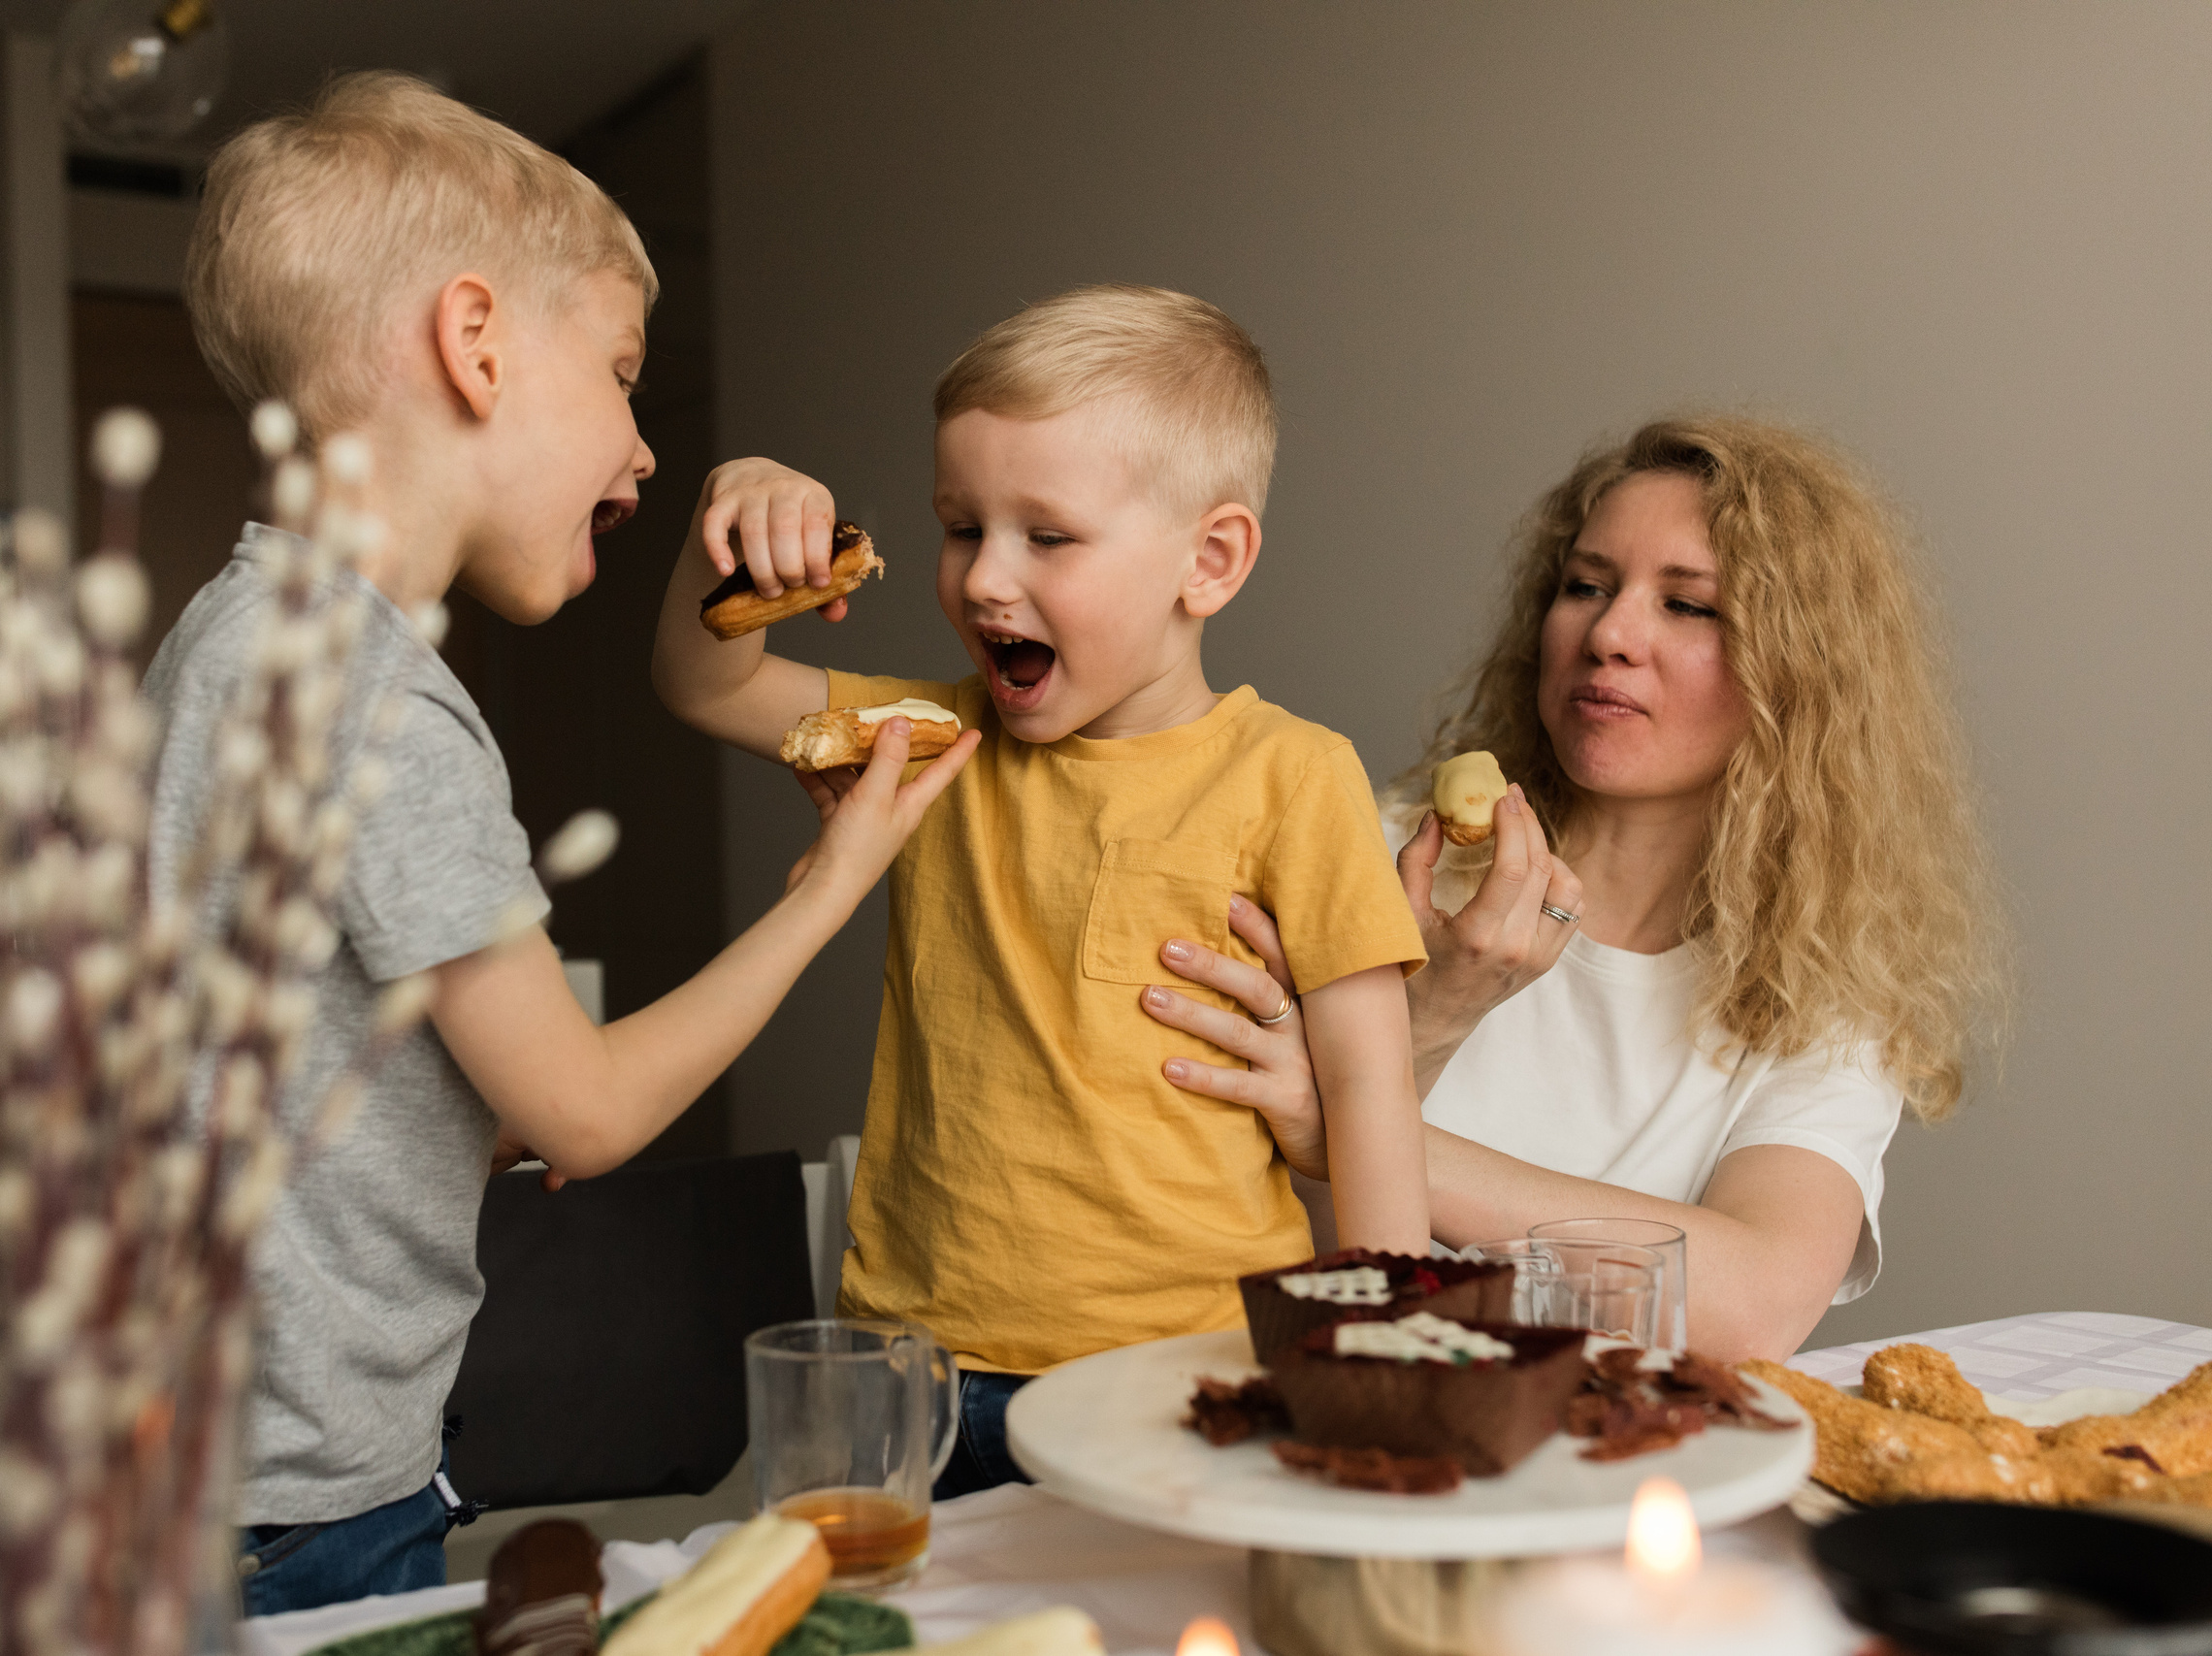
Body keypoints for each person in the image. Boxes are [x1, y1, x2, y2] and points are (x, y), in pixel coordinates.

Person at [148, 73, 974, 1614]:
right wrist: (831, 887)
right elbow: (588, 1115)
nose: (645, 447)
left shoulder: (235, 640)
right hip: (290, 1499)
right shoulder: (378, 696)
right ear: (475, 345)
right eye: (619, 373)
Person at [652, 285, 1430, 1497]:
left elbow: (1370, 1087)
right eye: (962, 528)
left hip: (1188, 1370)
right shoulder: (923, 734)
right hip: (919, 1373)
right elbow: (706, 686)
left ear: (1208, 562)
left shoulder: (1292, 775)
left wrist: (1383, 1360)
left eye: (1046, 537)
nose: (980, 580)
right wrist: (737, 513)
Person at [1142, 416, 2003, 1362]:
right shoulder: (1355, 851)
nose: (1608, 634)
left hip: (1611, 1472)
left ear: (1801, 674)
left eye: (1690, 606)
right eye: (1586, 586)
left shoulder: (1824, 979)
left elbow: (1755, 1305)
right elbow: (1251, 1245)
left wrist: (1344, 1115)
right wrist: (1426, 1022)